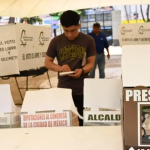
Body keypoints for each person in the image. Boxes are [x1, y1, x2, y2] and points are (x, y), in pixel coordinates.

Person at [45, 10, 96, 126]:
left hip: (82, 88)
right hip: (63, 88)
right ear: (62, 27)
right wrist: (60, 68)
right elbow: (47, 63)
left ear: (79, 25)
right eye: (66, 31)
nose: (69, 34)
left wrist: (82, 70)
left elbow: (91, 64)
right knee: (63, 122)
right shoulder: (56, 41)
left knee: (85, 121)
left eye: (73, 30)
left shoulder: (88, 40)